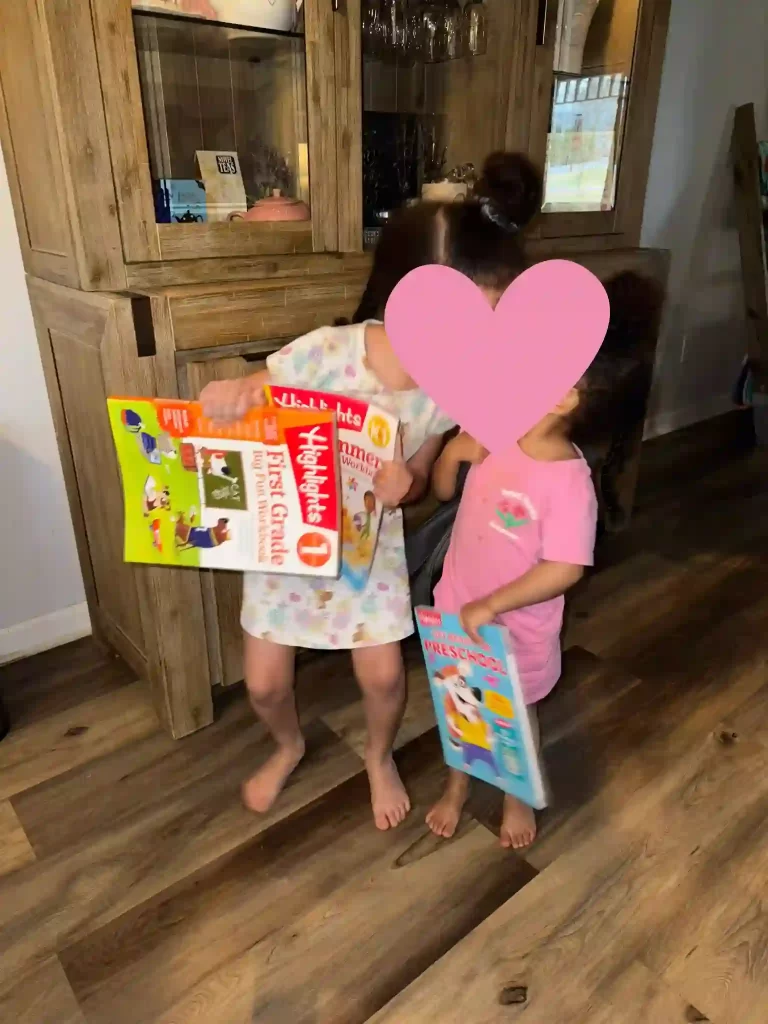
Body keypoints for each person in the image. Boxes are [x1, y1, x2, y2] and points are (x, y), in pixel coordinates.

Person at [199, 151, 543, 830]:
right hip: (288, 546)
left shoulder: (446, 392)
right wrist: (234, 393)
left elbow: (420, 478)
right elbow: (259, 391)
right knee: (265, 682)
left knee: (384, 677)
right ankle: (290, 743)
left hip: (366, 554)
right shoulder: (331, 351)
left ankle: (378, 755)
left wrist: (405, 481)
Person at [425, 271, 660, 849]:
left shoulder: (568, 483)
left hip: (514, 629)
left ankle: (516, 794)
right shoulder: (496, 429)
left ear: (564, 395)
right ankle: (457, 786)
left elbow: (566, 568)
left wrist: (495, 603)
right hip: (457, 607)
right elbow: (442, 494)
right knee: (461, 702)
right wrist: (453, 453)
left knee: (511, 716)